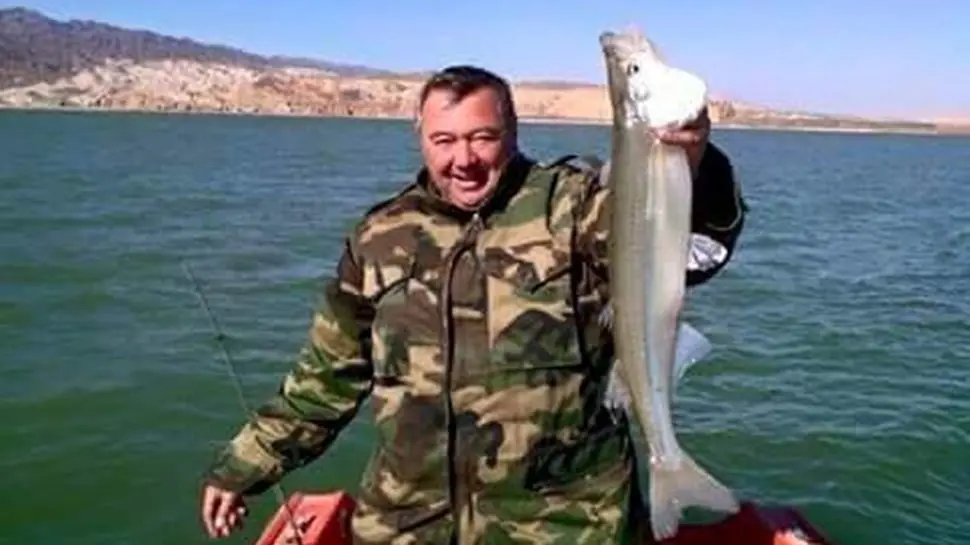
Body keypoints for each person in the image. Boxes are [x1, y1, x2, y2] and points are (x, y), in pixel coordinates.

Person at [199, 65, 747, 544]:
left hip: (568, 525)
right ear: (420, 137)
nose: (464, 159)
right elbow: (325, 379)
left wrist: (691, 162)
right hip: (408, 525)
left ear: (512, 131)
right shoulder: (380, 236)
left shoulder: (576, 206)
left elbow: (692, 249)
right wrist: (241, 468)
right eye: (444, 140)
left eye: (482, 137)